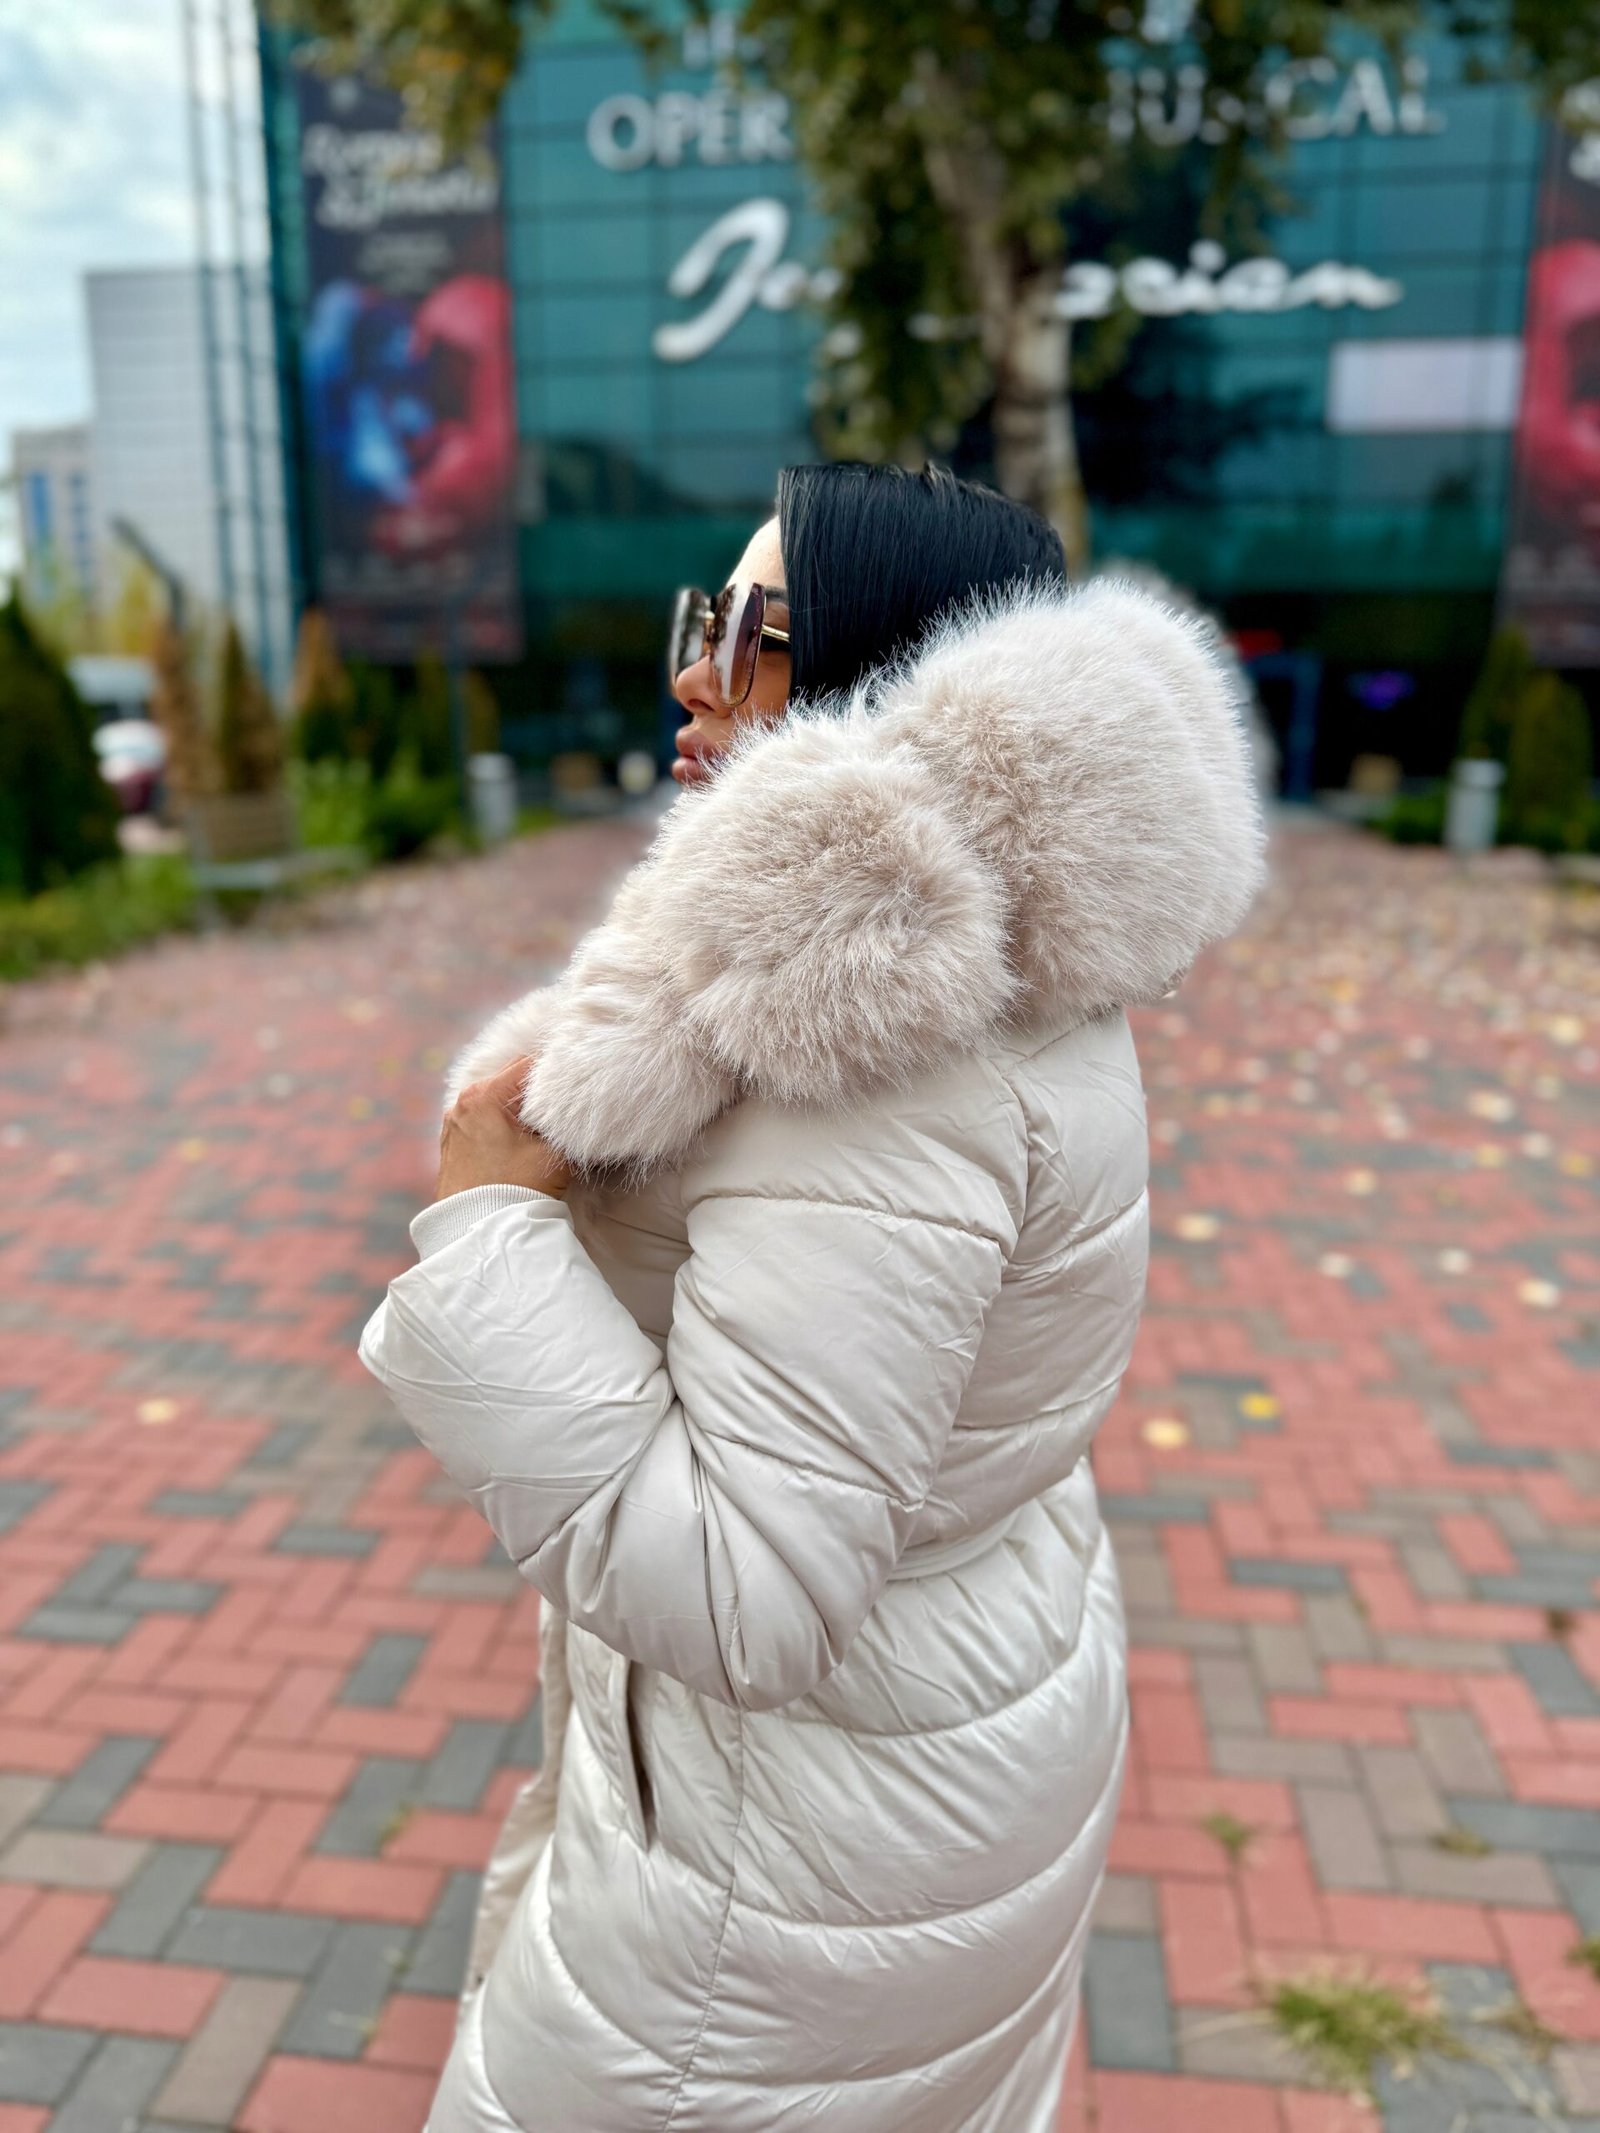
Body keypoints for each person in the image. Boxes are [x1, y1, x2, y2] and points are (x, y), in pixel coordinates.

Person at [359, 462, 1266, 2133]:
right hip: (927, 1755)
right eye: (702, 619)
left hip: (790, 1872)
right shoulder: (1014, 963)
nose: (691, 677)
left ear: (882, 671)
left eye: (752, 637)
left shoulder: (863, 1032)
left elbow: (749, 1593)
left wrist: (489, 1236)